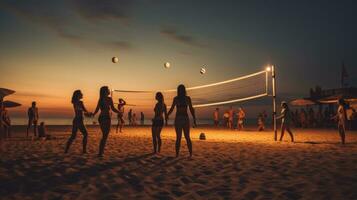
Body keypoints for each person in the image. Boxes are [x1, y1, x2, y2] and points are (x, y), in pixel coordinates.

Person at [168, 84, 196, 157]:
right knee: (186, 137)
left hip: (180, 118)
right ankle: (189, 154)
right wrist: (194, 118)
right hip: (184, 118)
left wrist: (167, 115)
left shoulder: (177, 99)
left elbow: (172, 109)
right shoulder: (186, 98)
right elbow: (191, 109)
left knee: (180, 138)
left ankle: (179, 154)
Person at [93, 86, 121, 157]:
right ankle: (100, 153)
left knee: (105, 136)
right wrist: (92, 114)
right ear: (105, 91)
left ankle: (100, 153)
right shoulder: (105, 99)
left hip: (104, 118)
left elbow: (113, 108)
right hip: (104, 118)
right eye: (107, 89)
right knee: (105, 135)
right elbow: (97, 109)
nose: (108, 90)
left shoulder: (104, 99)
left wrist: (118, 112)